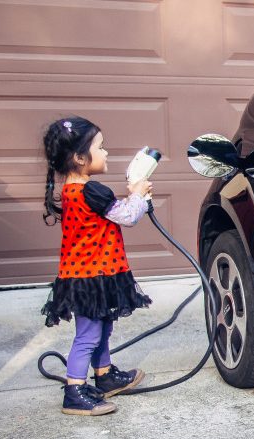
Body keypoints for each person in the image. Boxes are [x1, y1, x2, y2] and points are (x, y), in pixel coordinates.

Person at [40, 116, 153, 416]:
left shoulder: (71, 190)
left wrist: (136, 198)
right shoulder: (91, 191)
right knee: (89, 334)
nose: (106, 153)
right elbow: (126, 216)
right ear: (79, 157)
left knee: (102, 327)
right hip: (92, 276)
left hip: (94, 274)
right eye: (100, 148)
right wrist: (138, 196)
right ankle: (74, 390)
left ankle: (103, 376)